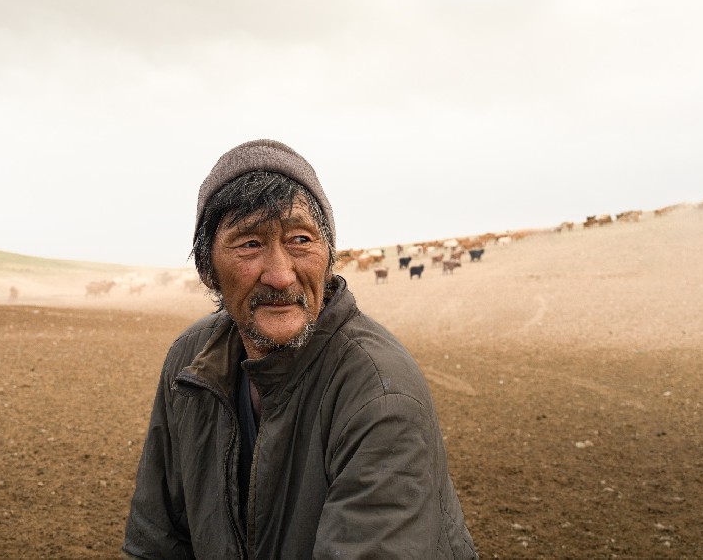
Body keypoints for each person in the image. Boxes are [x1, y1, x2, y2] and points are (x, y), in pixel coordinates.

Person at [123, 139, 478, 559]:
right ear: (207, 269)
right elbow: (156, 541)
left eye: (300, 239)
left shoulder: (379, 393)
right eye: (250, 244)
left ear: (328, 258)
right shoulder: (190, 362)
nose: (280, 275)